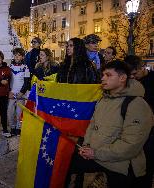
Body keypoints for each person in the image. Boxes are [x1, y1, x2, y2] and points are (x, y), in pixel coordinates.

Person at [65, 60, 153, 188]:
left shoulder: (136, 104)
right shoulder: (104, 100)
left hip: (118, 167)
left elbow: (131, 145)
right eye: (103, 75)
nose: (103, 78)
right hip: (95, 158)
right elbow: (92, 127)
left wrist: (95, 153)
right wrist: (86, 146)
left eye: (108, 75)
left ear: (122, 78)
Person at [125, 55, 154, 188]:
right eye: (129, 75)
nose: (132, 77)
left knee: (147, 165)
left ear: (142, 68)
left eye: (134, 73)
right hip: (134, 130)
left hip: (150, 131)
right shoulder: (130, 82)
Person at [8, 48, 30, 136]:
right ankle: (12, 127)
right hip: (12, 94)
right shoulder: (10, 67)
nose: (17, 56)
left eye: (19, 55)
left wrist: (22, 92)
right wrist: (9, 92)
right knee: (10, 112)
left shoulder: (25, 67)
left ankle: (18, 128)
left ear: (22, 57)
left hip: (21, 94)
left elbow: (27, 82)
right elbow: (7, 80)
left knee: (19, 113)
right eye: (15, 55)